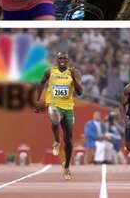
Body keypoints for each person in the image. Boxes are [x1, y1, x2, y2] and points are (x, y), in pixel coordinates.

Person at [35, 52, 83, 180]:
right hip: (54, 104)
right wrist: (38, 100)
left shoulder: (74, 72)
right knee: (53, 115)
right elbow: (40, 84)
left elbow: (80, 92)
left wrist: (73, 77)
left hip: (68, 108)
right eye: (60, 58)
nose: (62, 60)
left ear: (68, 60)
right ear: (57, 60)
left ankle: (66, 167)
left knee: (68, 140)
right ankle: (56, 140)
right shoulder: (49, 72)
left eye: (65, 58)